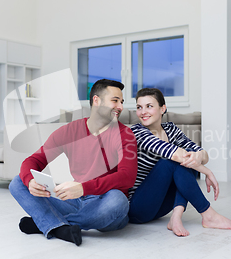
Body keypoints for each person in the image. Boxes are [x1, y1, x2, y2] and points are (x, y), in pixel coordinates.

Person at [9, 79, 137, 246]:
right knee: (17, 182)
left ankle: (48, 223)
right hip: (74, 200)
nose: (120, 107)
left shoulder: (125, 134)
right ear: (96, 100)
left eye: (121, 102)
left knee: (118, 202)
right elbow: (34, 160)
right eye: (115, 100)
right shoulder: (70, 131)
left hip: (104, 203)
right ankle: (58, 226)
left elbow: (127, 177)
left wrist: (83, 188)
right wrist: (30, 181)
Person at [128, 88, 231, 237]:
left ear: (163, 108)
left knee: (190, 155)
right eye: (139, 107)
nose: (143, 112)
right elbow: (173, 153)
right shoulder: (137, 132)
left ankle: (176, 217)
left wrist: (199, 156)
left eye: (149, 106)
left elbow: (201, 153)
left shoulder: (171, 129)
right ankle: (209, 215)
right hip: (138, 208)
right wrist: (207, 171)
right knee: (172, 161)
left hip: (160, 207)